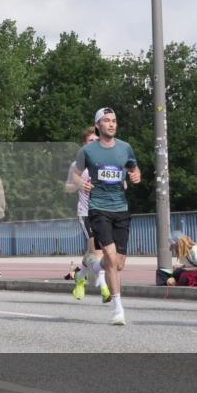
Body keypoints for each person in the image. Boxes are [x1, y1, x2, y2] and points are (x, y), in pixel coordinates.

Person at [73, 107, 142, 326]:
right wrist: (80, 182)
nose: (111, 124)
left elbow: (133, 167)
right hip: (98, 208)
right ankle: (117, 308)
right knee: (111, 258)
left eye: (114, 120)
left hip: (121, 208)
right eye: (106, 120)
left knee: (118, 264)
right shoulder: (88, 151)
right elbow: (75, 173)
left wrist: (136, 174)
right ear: (98, 125)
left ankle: (93, 267)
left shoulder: (125, 147)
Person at [66, 127, 110, 302]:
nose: (94, 143)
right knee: (98, 253)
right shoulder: (77, 165)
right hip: (86, 213)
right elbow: (67, 187)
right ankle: (105, 288)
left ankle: (80, 276)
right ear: (84, 144)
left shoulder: (104, 162)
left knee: (95, 252)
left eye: (96, 140)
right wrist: (80, 184)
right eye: (90, 141)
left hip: (104, 212)